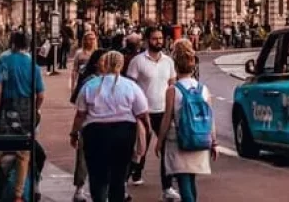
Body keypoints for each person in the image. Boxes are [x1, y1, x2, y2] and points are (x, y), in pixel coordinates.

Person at [70, 51, 150, 202]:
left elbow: (80, 114)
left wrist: (74, 133)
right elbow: (142, 113)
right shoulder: (130, 86)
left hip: (96, 132)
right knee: (118, 175)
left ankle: (99, 198)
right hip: (123, 132)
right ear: (121, 65)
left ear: (104, 64)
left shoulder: (90, 85)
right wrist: (148, 129)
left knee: (97, 173)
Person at [155, 41, 216, 202]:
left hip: (179, 138)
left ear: (175, 66)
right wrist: (214, 141)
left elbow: (167, 118)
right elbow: (210, 118)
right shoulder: (203, 89)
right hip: (200, 136)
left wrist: (159, 141)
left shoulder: (173, 90)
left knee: (183, 179)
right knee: (191, 178)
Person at [127, 27, 178, 198]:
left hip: (163, 111)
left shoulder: (168, 62)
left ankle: (167, 188)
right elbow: (131, 87)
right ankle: (130, 176)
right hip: (144, 112)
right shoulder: (138, 61)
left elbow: (172, 85)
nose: (159, 41)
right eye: (155, 39)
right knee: (139, 148)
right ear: (148, 40)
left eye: (161, 38)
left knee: (166, 149)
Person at [0, 31, 45, 202]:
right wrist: (36, 110)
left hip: (7, 107)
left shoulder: (3, 61)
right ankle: (18, 195)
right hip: (26, 109)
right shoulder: (33, 65)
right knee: (23, 154)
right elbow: (40, 95)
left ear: (13, 43)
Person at [70, 48, 106, 202]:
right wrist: (74, 131)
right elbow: (79, 110)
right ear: (97, 63)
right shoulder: (89, 80)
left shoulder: (113, 79)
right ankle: (79, 188)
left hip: (106, 125)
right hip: (88, 124)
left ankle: (101, 189)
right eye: (103, 60)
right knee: (83, 158)